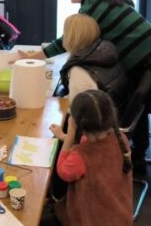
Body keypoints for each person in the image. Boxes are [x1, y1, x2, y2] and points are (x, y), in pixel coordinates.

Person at [23, 0, 151, 198]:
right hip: (147, 57)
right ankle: (138, 156)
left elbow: (69, 39)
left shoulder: (92, 8)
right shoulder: (102, 1)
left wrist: (36, 56)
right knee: (143, 107)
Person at [45, 90, 133, 226]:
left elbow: (63, 170)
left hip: (91, 220)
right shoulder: (121, 138)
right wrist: (63, 136)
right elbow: (90, 142)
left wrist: (70, 134)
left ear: (77, 123)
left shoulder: (81, 156)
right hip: (120, 216)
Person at [59, 13, 127, 107]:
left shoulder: (79, 71)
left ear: (71, 37)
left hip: (94, 113)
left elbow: (78, 109)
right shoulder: (106, 50)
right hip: (114, 108)